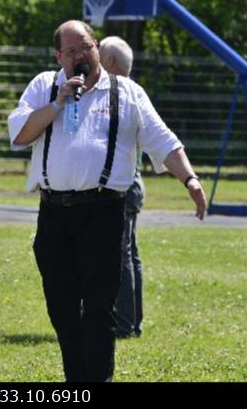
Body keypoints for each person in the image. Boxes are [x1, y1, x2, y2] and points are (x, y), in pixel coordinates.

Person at [7, 20, 206, 382]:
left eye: (86, 46)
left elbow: (163, 140)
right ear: (58, 56)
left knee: (99, 310)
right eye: (71, 51)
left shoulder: (127, 92)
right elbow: (20, 134)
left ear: (97, 47)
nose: (80, 55)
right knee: (63, 309)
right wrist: (58, 102)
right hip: (54, 212)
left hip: (103, 212)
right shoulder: (44, 86)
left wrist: (190, 179)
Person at [99, 36, 144, 339]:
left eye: (98, 54)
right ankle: (132, 321)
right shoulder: (135, 94)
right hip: (134, 184)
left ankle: (125, 323)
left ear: (111, 63)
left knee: (121, 254)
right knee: (130, 254)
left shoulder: (122, 96)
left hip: (124, 187)